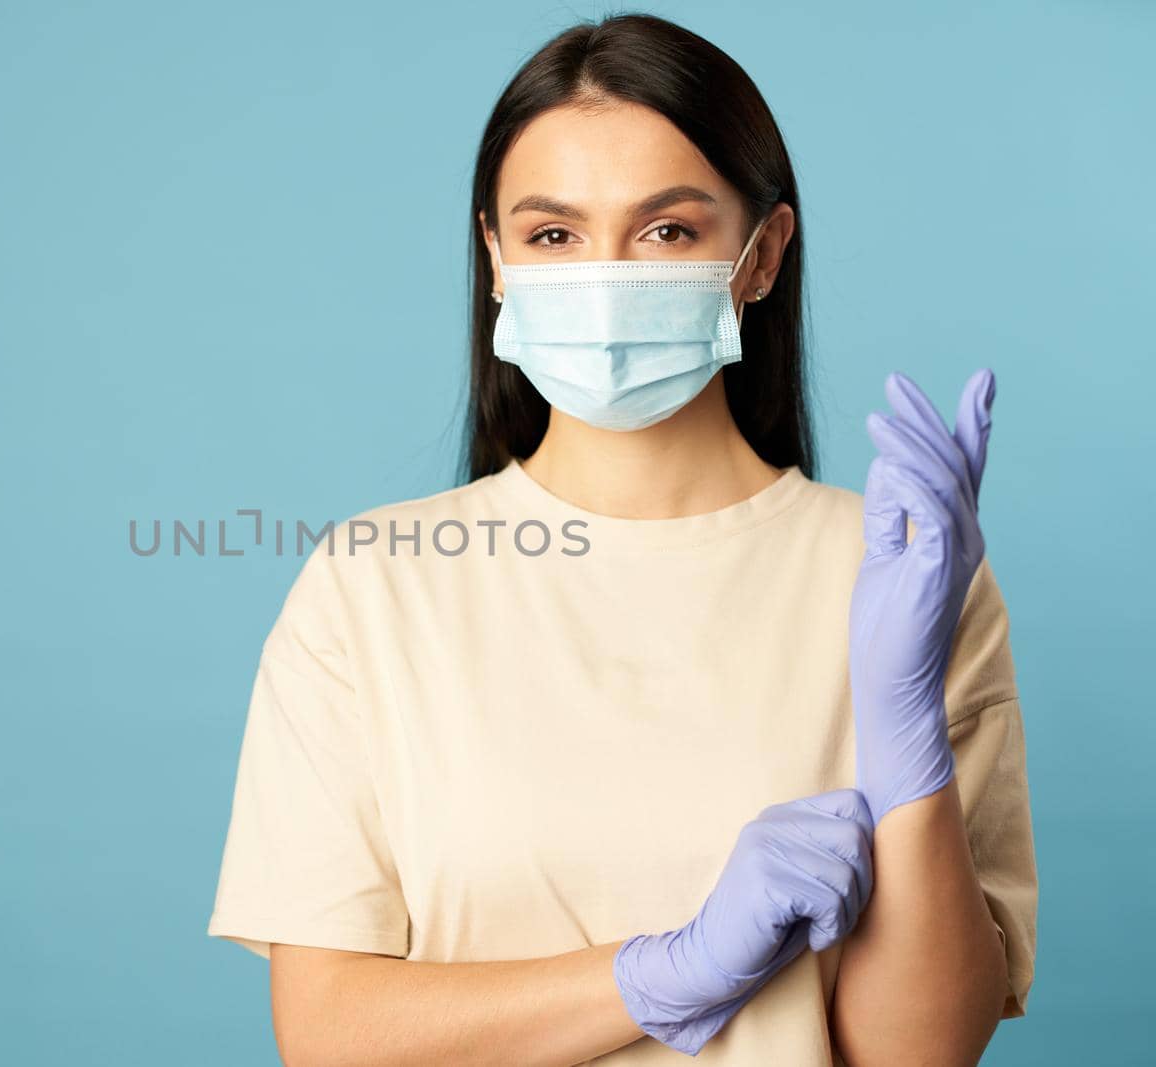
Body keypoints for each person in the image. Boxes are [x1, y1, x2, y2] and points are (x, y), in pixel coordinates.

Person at [206, 13, 1037, 1065]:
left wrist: (904, 729)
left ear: (761, 254)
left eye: (666, 231)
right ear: (495, 257)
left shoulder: (901, 578)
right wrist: (665, 972)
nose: (603, 279)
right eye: (554, 234)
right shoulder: (370, 588)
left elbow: (918, 1053)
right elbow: (329, 1033)